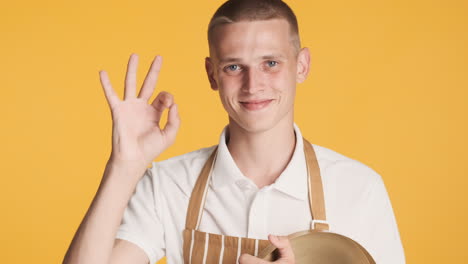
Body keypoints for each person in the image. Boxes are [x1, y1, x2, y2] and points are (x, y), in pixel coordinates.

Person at [63, 0, 405, 263]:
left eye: (270, 63)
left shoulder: (359, 188)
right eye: (233, 67)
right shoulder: (168, 185)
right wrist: (124, 165)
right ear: (212, 75)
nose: (253, 84)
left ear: (301, 66)